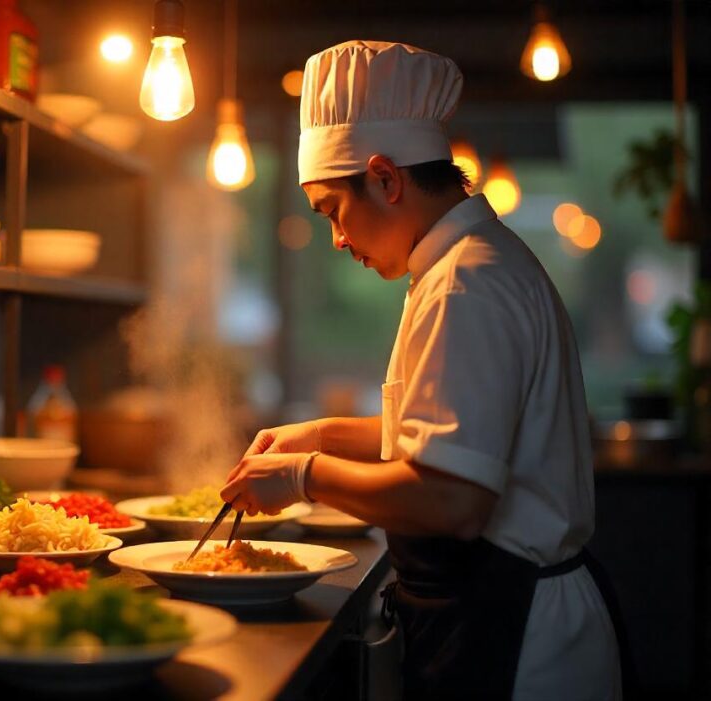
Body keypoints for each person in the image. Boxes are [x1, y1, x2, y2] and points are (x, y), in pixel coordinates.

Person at [220, 41, 629, 700]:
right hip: (496, 611)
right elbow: (450, 431)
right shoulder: (462, 264)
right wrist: (318, 433)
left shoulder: (467, 282)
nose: (337, 238)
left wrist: (304, 476)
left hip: (519, 636)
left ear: (384, 178)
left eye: (332, 210)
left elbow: (453, 499)